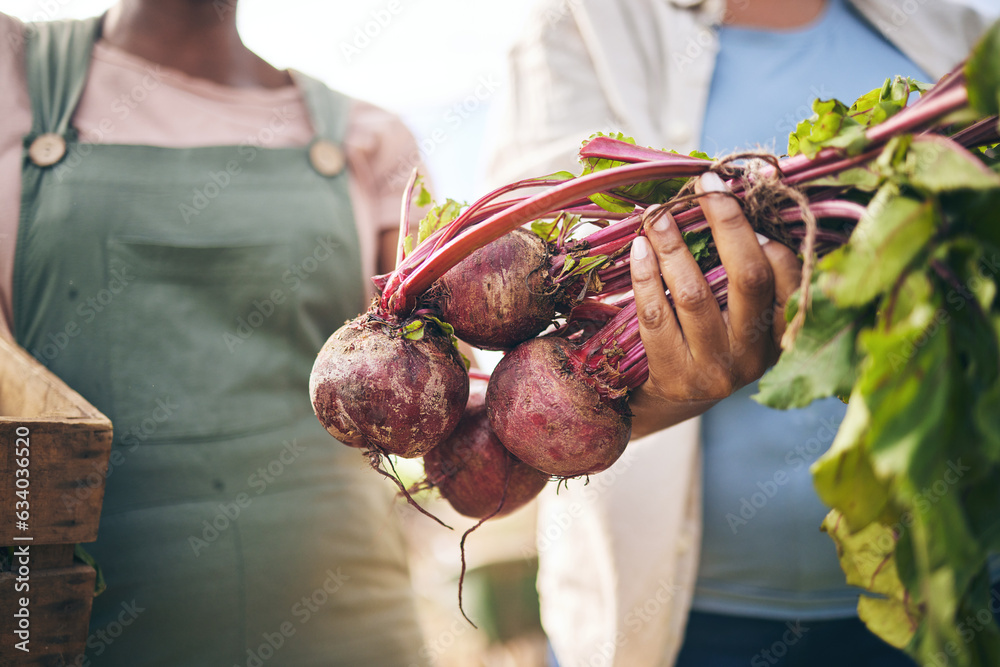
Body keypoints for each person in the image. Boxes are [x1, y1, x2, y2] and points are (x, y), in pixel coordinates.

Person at [1, 1, 800, 665]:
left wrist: (624, 389)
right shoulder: (12, 69)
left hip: (342, 610)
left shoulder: (366, 137)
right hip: (56, 611)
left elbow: (464, 368)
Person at [486, 0, 996, 665]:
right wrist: (664, 389)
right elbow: (522, 306)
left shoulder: (946, 23)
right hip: (687, 626)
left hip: (945, 583)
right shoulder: (583, 21)